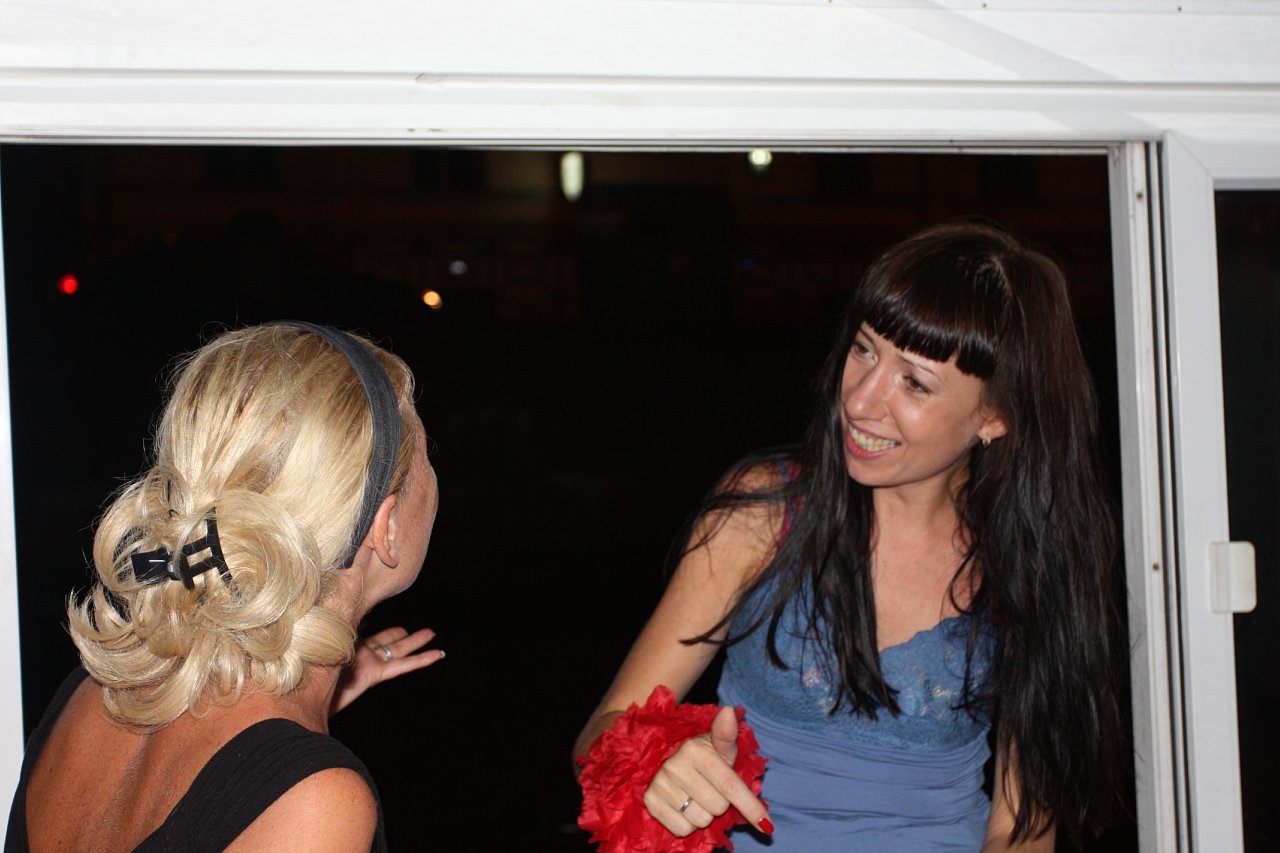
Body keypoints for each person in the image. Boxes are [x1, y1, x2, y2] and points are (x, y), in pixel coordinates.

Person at [574, 222, 1127, 852]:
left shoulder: (1032, 564)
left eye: (914, 382)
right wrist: (653, 765)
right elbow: (598, 735)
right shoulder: (766, 515)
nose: (861, 400)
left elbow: (1021, 828)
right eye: (864, 350)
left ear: (997, 416)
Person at [5, 322, 443, 852]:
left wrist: (310, 708)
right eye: (428, 456)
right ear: (386, 528)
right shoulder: (316, 802)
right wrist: (291, 756)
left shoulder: (97, 689)